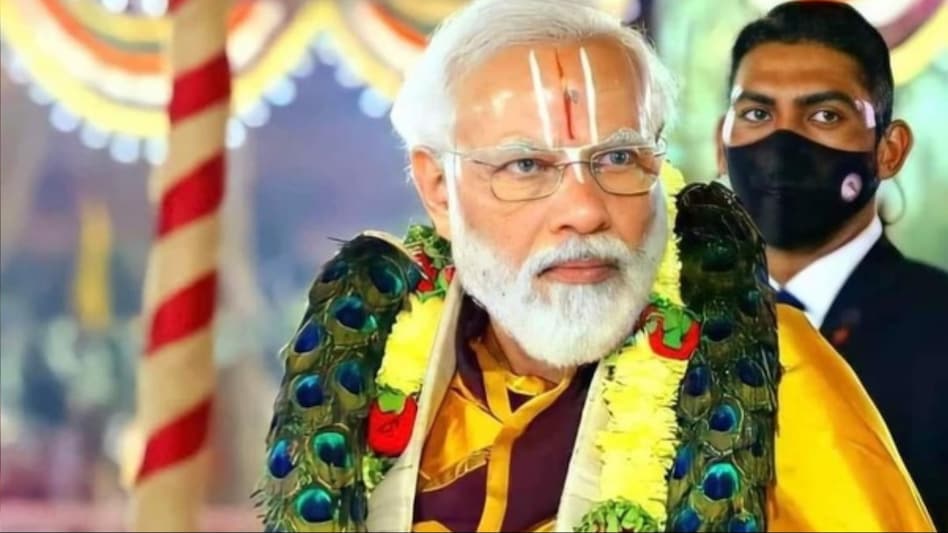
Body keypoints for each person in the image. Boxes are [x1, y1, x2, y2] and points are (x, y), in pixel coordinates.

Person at [256, 1, 933, 531]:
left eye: (617, 158)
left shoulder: (772, 369)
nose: (584, 210)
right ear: (438, 187)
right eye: (527, 165)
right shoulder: (370, 363)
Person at [716, 2, 948, 528]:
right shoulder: (667, 331)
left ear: (889, 150)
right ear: (720, 145)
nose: (782, 144)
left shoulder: (940, 328)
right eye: (757, 114)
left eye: (824, 116)